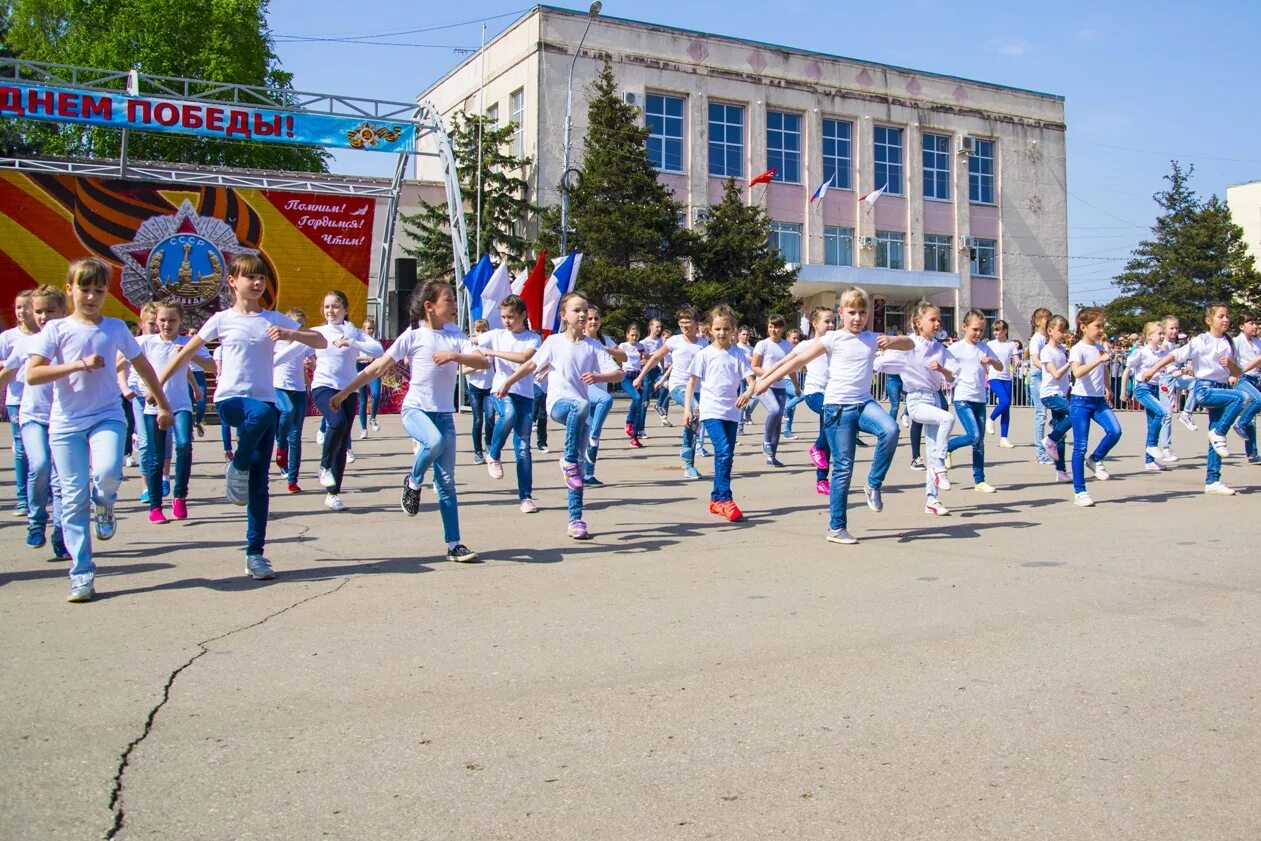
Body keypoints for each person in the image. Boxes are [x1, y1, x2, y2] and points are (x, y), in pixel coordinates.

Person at [159, 254, 326, 580]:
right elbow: (188, 351)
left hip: (262, 403)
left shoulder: (274, 319)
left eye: (261, 277)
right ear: (233, 282)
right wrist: (159, 385)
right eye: (249, 277)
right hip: (231, 400)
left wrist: (293, 334)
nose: (257, 282)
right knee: (263, 414)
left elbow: (321, 341)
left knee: (259, 483)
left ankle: (255, 554)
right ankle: (237, 464)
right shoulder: (221, 320)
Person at [26, 258, 174, 602]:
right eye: (84, 289)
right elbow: (33, 374)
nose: (91, 296)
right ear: (70, 290)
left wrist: (162, 403)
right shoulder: (56, 330)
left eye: (99, 290)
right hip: (65, 424)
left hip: (107, 415)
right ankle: (82, 572)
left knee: (108, 472)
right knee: (73, 496)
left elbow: (143, 365)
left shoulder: (115, 329)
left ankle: (106, 503)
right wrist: (77, 365)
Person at [335, 280, 483, 562]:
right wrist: (345, 392)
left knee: (447, 482)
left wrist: (455, 355)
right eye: (448, 300)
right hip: (416, 410)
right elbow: (378, 367)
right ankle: (413, 481)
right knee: (434, 442)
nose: (454, 305)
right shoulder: (413, 335)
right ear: (429, 307)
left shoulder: (455, 335)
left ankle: (454, 544)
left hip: (444, 415)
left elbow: (482, 362)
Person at [752, 286, 913, 545]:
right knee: (843, 468)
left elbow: (910, 343)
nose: (858, 318)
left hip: (864, 404)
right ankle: (837, 527)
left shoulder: (872, 338)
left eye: (862, 312)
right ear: (841, 313)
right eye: (852, 312)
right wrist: (764, 382)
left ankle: (873, 483)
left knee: (890, 430)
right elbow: (796, 361)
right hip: (837, 408)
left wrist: (893, 340)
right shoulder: (832, 339)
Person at [499, 291, 622, 540]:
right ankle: (566, 460)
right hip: (559, 405)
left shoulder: (593, 346)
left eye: (585, 309)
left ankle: (575, 520)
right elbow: (531, 365)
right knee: (578, 412)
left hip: (581, 415)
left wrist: (599, 377)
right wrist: (509, 382)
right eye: (577, 310)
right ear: (564, 315)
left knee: (576, 473)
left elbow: (618, 373)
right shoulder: (554, 342)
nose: (583, 314)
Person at [1142, 303, 1247, 496]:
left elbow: (1237, 372)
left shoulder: (1229, 343)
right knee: (1241, 397)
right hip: (1205, 389)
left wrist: (1231, 366)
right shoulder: (1201, 341)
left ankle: (1213, 480)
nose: (1226, 320)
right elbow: (1175, 355)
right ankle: (1220, 433)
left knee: (1215, 435)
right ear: (1209, 320)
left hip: (1221, 387)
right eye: (1221, 316)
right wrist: (1152, 370)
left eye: (1227, 316)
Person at [0, 285, 69, 556]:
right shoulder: (26, 343)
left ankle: (61, 533)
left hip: (63, 418)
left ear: (64, 310)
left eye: (50, 311)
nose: (43, 316)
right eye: (38, 311)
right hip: (32, 415)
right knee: (39, 465)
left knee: (61, 480)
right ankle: (36, 520)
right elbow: (8, 372)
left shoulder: (71, 339)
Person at [135, 301, 212, 523]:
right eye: (162, 320)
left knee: (184, 446)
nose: (167, 325)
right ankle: (155, 504)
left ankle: (179, 496)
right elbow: (127, 364)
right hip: (155, 406)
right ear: (155, 320)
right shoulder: (146, 343)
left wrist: (189, 355)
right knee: (156, 456)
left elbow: (210, 367)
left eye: (172, 320)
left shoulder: (187, 342)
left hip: (181, 405)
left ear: (181, 321)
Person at [310, 290, 384, 511]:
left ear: (345, 309)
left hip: (349, 390)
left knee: (342, 442)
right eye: (327, 307)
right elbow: (294, 349)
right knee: (337, 422)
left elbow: (378, 350)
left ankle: (333, 494)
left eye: (335, 306)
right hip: (323, 387)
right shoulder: (318, 332)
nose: (330, 311)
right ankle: (324, 467)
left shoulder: (354, 332)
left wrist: (351, 342)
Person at [683, 304, 753, 522]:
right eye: (717, 329)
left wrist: (748, 394)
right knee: (722, 450)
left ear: (733, 330)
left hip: (732, 412)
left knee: (728, 454)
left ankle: (715, 499)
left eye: (726, 329)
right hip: (711, 410)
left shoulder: (738, 354)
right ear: (710, 330)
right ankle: (725, 498)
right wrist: (687, 409)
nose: (722, 333)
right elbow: (691, 383)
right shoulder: (704, 355)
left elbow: (751, 382)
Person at [477, 294, 542, 512]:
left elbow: (525, 359)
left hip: (525, 394)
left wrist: (491, 352)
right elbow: (470, 342)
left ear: (523, 315)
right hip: (500, 390)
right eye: (503, 317)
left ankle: (526, 497)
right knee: (508, 414)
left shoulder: (533, 339)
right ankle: (493, 454)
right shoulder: (495, 334)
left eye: (511, 317)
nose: (506, 321)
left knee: (523, 447)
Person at [635, 308, 708, 480]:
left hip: (697, 389)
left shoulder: (703, 344)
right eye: (681, 321)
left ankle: (688, 460)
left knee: (694, 420)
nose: (684, 324)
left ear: (696, 323)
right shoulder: (674, 341)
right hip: (677, 387)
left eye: (688, 321)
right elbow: (654, 358)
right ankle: (687, 458)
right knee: (694, 411)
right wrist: (640, 376)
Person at [900, 302, 957, 516]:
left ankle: (932, 500)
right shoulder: (910, 343)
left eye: (939, 320)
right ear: (918, 323)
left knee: (931, 450)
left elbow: (952, 376)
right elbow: (891, 352)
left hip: (935, 398)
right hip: (916, 400)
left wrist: (942, 369)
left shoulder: (940, 349)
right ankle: (940, 466)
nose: (937, 323)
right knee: (947, 419)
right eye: (932, 319)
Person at [1065, 307, 1122, 507]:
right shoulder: (1078, 349)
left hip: (1098, 400)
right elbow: (1077, 372)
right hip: (1081, 400)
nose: (1101, 330)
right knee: (1080, 446)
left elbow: (1103, 369)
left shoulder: (1099, 347)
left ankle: (1095, 458)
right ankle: (1080, 491)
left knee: (1115, 431)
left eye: (1102, 326)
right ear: (1083, 327)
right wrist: (1099, 359)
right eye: (1097, 326)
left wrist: (1107, 387)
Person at [946, 309, 1004, 494]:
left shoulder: (984, 347)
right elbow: (940, 360)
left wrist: (992, 362)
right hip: (963, 398)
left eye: (981, 330)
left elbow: (1000, 365)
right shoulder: (956, 348)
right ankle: (946, 447)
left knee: (979, 442)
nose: (978, 333)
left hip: (980, 399)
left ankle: (979, 480)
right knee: (974, 436)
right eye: (975, 329)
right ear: (964, 327)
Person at [788, 306, 836, 496]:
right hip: (814, 393)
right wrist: (766, 378)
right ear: (815, 324)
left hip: (833, 395)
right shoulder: (804, 345)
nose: (831, 325)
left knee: (829, 436)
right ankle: (816, 447)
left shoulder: (837, 342)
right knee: (829, 413)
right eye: (827, 321)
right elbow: (787, 364)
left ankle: (822, 480)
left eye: (833, 321)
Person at [581, 305, 627, 485]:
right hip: (584, 388)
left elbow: (623, 357)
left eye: (596, 319)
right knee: (590, 430)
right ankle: (576, 466)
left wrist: (606, 349)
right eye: (590, 319)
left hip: (600, 388)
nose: (593, 322)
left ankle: (588, 473)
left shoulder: (604, 339)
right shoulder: (580, 339)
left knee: (593, 434)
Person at [0, 290, 36, 516]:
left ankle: (44, 490)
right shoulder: (8, 337)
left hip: (44, 400)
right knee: (21, 448)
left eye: (26, 306)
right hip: (17, 399)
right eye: (18, 307)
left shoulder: (46, 334)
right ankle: (23, 497)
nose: (22, 311)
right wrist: (13, 362)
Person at [273, 307, 316, 493]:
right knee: (287, 411)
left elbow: (315, 359)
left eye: (300, 327)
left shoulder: (304, 344)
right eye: (293, 326)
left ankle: (292, 479)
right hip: (279, 387)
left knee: (296, 436)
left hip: (298, 389)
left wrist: (311, 363)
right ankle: (280, 445)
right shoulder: (276, 343)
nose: (296, 331)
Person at [1120, 321, 1172, 472]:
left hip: (1154, 389)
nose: (1162, 336)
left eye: (1163, 333)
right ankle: (1152, 445)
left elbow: (1169, 371)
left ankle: (1149, 461)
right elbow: (1127, 371)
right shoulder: (1141, 352)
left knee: (1152, 424)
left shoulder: (1162, 353)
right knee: (1162, 412)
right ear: (1149, 336)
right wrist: (1124, 391)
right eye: (1159, 333)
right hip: (1142, 389)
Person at [751, 314, 792, 466]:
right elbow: (755, 366)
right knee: (774, 410)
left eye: (776, 327)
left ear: (782, 328)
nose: (773, 330)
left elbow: (792, 368)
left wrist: (797, 387)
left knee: (777, 421)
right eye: (770, 326)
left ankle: (771, 457)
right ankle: (766, 441)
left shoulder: (787, 346)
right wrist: (772, 376)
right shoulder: (762, 344)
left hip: (780, 388)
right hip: (763, 385)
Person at [1037, 315, 1074, 483]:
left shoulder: (1062, 350)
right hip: (1050, 394)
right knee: (1077, 413)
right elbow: (1057, 374)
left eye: (1065, 330)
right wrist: (1071, 363)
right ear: (1050, 331)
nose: (1063, 334)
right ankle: (1049, 439)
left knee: (1061, 433)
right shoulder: (1047, 351)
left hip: (1060, 393)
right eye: (1060, 330)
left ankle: (1060, 470)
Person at [465, 318, 496, 464]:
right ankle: (478, 451)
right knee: (478, 420)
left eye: (484, 330)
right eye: (479, 330)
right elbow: (464, 370)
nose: (482, 333)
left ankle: (489, 444)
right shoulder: (470, 347)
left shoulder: (492, 347)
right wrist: (480, 365)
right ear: (474, 331)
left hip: (490, 387)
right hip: (475, 387)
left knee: (490, 417)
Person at [1232, 313, 1261, 464]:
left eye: (1256, 323)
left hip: (1255, 379)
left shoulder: (1258, 342)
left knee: (1252, 419)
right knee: (1258, 400)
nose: (1255, 326)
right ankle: (1239, 423)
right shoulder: (1236, 342)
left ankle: (1252, 453)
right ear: (1242, 326)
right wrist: (1257, 360)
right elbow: (1238, 367)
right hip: (1242, 378)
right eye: (1251, 323)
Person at [984, 319, 1018, 448]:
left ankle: (1004, 438)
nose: (996, 332)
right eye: (994, 330)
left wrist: (1018, 360)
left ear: (1005, 331)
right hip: (994, 377)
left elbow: (1015, 356)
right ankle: (990, 419)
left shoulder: (1011, 344)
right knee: (1005, 401)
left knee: (1006, 409)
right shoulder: (990, 344)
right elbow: (985, 357)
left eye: (998, 329)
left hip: (1006, 377)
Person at [1028, 308, 1052, 464]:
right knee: (1041, 414)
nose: (1047, 320)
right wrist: (1048, 368)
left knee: (1058, 410)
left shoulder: (1047, 338)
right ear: (1037, 321)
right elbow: (1035, 360)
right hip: (1038, 377)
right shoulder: (1037, 338)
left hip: (1047, 376)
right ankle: (1040, 452)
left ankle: (1053, 439)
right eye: (1045, 318)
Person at [355, 316, 384, 439]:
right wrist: (365, 358)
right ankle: (363, 429)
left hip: (373, 370)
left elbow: (382, 356)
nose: (370, 331)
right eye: (368, 328)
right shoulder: (358, 342)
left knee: (376, 394)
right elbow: (353, 357)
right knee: (362, 400)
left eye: (372, 328)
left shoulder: (376, 342)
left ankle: (373, 417)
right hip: (361, 369)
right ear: (363, 329)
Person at [619, 323, 646, 448]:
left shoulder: (641, 346)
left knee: (639, 407)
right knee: (636, 398)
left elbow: (647, 359)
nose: (634, 338)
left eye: (636, 335)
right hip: (626, 376)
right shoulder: (623, 346)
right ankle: (628, 422)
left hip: (638, 376)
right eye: (632, 335)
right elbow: (615, 357)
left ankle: (634, 437)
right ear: (627, 335)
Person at [636, 318, 663, 439]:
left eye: (660, 327)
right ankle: (641, 428)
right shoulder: (643, 342)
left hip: (656, 371)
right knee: (645, 402)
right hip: (647, 372)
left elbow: (661, 356)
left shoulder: (660, 341)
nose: (658, 329)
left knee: (667, 384)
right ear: (650, 327)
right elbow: (643, 359)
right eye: (656, 326)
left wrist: (662, 368)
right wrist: (653, 355)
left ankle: (660, 405)